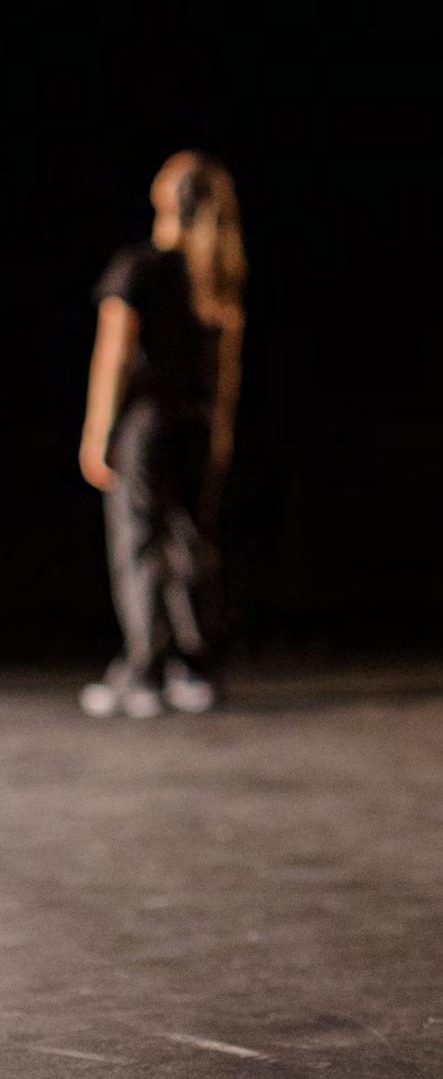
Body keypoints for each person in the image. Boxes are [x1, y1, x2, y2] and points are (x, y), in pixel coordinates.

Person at [79, 151, 246, 718]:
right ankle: (194, 668)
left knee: (140, 541)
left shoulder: (139, 266)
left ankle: (144, 670)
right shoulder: (215, 274)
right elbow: (227, 368)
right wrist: (220, 431)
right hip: (196, 423)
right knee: (192, 542)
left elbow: (113, 356)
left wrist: (97, 430)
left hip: (147, 426)